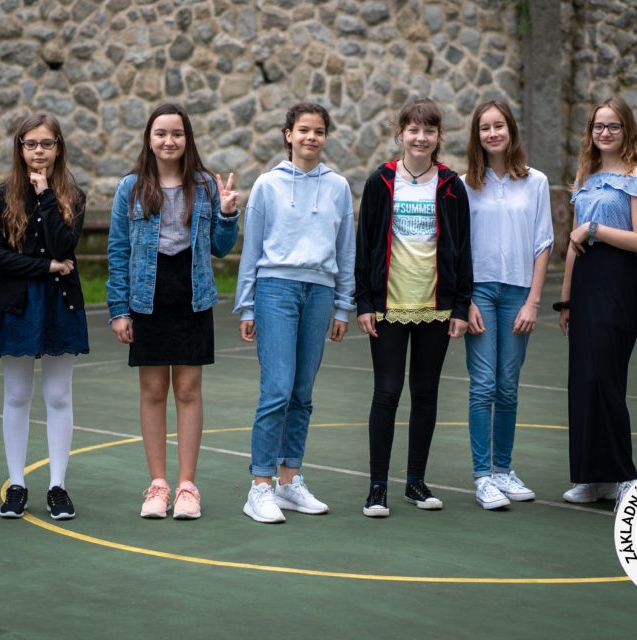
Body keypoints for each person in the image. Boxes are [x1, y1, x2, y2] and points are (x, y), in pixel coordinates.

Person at [107, 103, 239, 520]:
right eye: (161, 133)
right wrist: (119, 309)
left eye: (177, 134)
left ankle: (186, 487)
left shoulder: (205, 184)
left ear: (187, 139)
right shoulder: (130, 187)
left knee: (188, 389)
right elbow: (118, 250)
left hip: (191, 295)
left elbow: (220, 248)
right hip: (146, 298)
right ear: (149, 139)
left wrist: (227, 214)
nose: (169, 141)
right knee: (152, 391)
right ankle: (158, 485)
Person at [235, 101, 355, 523]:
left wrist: (344, 305)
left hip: (320, 293)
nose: (311, 137)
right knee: (277, 389)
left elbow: (346, 250)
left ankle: (289, 481)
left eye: (319, 131)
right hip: (275, 291)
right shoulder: (267, 185)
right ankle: (260, 486)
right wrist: (246, 305)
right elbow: (251, 249)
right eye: (303, 130)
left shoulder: (338, 187)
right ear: (288, 135)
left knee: (302, 393)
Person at [355, 98, 472, 518]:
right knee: (387, 392)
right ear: (400, 133)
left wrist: (461, 306)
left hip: (436, 306)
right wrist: (364, 302)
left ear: (439, 137)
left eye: (429, 131)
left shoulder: (451, 185)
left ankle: (416, 482)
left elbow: (464, 248)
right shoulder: (381, 181)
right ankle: (377, 487)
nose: (421, 138)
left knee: (425, 393)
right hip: (389, 305)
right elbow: (365, 244)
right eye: (413, 130)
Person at [0, 112, 89, 521]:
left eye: (47, 143)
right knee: (16, 395)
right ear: (20, 148)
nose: (39, 151)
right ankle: (17, 484)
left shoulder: (73, 196)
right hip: (18, 304)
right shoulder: (1, 196)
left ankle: (57, 486)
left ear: (59, 148)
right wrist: (44, 268)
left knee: (59, 396)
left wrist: (45, 196)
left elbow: (63, 246)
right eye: (31, 144)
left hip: (61, 303)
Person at [556, 97, 637, 510]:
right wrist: (565, 301)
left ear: (626, 130)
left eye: (614, 126)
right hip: (584, 282)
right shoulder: (585, 176)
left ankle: (625, 477)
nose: (605, 132)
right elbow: (573, 243)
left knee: (606, 377)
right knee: (583, 380)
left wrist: (595, 228)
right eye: (599, 126)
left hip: (616, 280)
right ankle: (592, 477)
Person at [462, 100, 553, 510]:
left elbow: (543, 243)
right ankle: (483, 477)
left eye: (499, 126)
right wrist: (465, 301)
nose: (492, 133)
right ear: (477, 135)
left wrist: (533, 301)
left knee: (508, 386)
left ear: (511, 131)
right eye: (485, 128)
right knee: (483, 385)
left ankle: (503, 470)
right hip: (479, 293)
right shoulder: (464, 185)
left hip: (518, 293)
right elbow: (457, 249)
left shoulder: (536, 182)